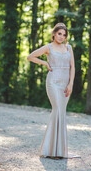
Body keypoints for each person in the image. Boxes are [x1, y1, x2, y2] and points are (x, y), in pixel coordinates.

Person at [27, 23, 76, 159]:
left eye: (64, 35)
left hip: (65, 83)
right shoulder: (48, 47)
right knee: (57, 110)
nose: (61, 37)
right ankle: (52, 150)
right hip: (53, 82)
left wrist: (71, 84)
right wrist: (45, 63)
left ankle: (58, 150)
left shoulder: (69, 47)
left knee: (62, 112)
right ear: (54, 33)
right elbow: (30, 57)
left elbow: (73, 67)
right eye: (59, 33)